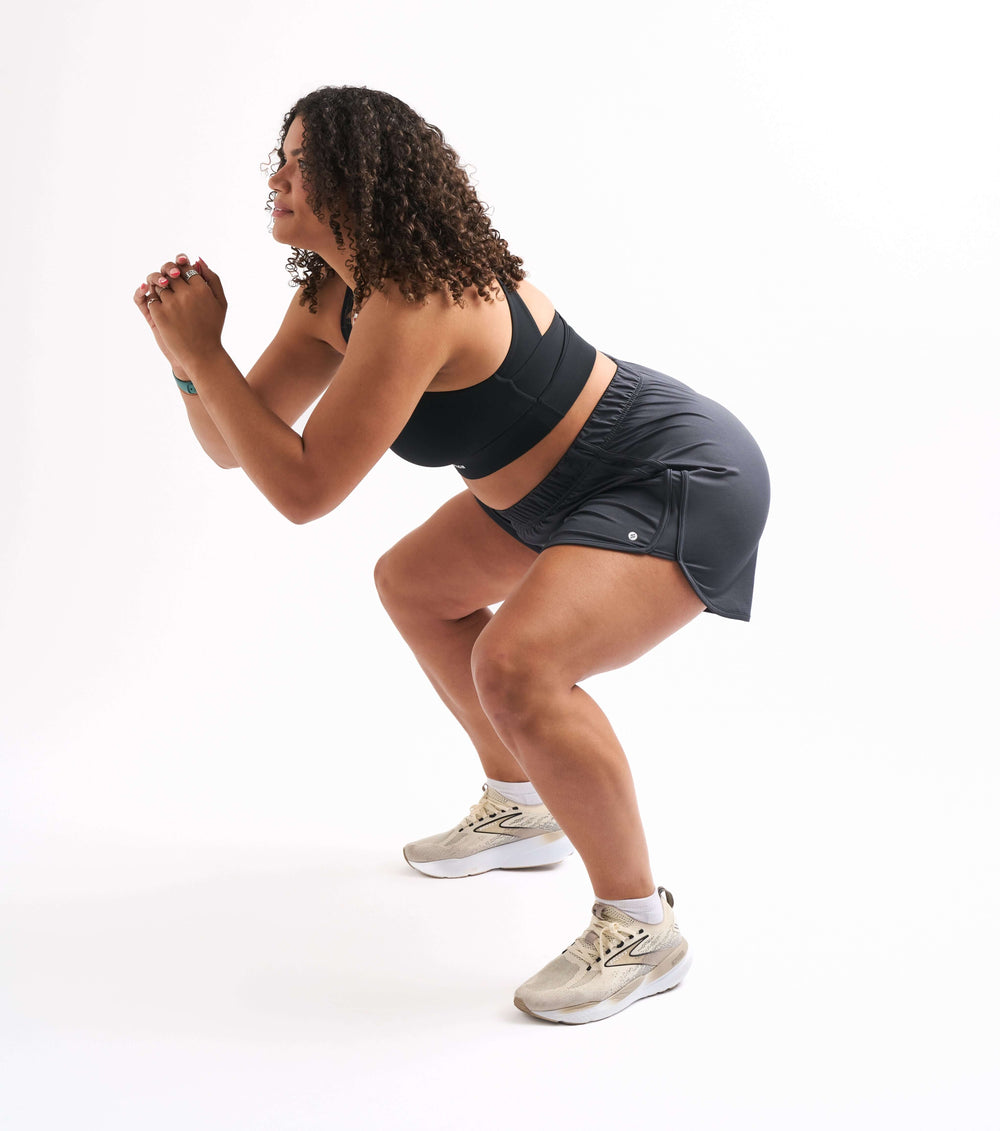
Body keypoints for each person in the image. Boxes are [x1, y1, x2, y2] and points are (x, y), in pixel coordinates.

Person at [133, 84, 770, 1026]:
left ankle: (641, 926)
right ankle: (523, 804)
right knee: (415, 584)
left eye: (299, 162)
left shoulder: (417, 298)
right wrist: (188, 354)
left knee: (518, 664)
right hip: (552, 491)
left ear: (358, 179)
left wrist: (205, 352)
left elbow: (304, 489)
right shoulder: (330, 295)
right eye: (281, 156)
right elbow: (234, 441)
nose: (276, 178)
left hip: (667, 469)